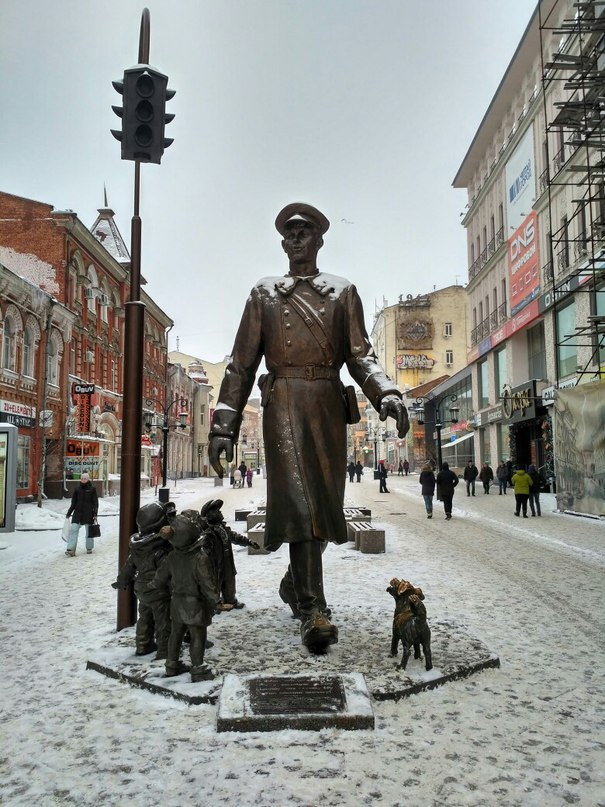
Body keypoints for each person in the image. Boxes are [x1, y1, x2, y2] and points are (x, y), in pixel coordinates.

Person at [208, 202, 409, 652]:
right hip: (281, 405)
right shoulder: (264, 293)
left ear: (319, 240)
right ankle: (314, 607)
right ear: (283, 243)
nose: (297, 238)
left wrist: (386, 394)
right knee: (299, 503)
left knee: (324, 503)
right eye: (290, 232)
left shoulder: (342, 292)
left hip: (326, 406)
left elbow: (361, 356)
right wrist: (225, 424)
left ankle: (295, 583)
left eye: (306, 231)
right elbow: (241, 364)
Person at [151, 515, 219, 683]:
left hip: (177, 602)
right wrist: (216, 601)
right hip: (195, 604)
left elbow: (159, 578)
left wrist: (151, 585)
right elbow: (207, 584)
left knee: (176, 634)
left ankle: (171, 664)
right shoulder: (200, 558)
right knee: (197, 635)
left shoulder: (172, 557)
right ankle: (197, 668)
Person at [111, 501, 174, 658]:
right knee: (163, 622)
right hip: (159, 591)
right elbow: (167, 572)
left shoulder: (138, 548)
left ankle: (143, 645)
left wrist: (121, 581)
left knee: (145, 618)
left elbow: (128, 567)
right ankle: (164, 650)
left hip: (141, 590)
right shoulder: (162, 548)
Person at [198, 499, 260, 610]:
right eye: (218, 511)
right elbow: (205, 553)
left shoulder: (223, 528)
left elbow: (235, 537)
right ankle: (215, 604)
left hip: (227, 561)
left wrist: (249, 542)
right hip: (216, 565)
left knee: (230, 582)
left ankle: (230, 600)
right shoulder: (208, 534)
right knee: (215, 584)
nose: (221, 513)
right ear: (210, 515)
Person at [65, 473, 98, 556]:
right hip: (77, 514)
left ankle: (89, 547)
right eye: (82, 478)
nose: (83, 480)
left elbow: (95, 503)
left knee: (89, 531)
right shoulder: (77, 489)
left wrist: (95, 513)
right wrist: (69, 513)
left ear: (88, 480)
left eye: (85, 479)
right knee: (73, 530)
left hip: (88, 513)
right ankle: (71, 549)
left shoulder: (92, 489)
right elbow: (73, 503)